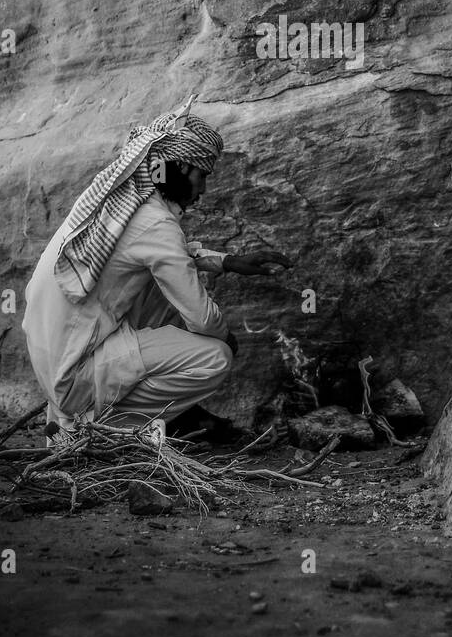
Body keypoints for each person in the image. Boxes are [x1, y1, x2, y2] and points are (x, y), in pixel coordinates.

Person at [22, 97, 291, 434]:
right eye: (202, 175)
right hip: (74, 375)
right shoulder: (153, 222)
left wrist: (228, 262)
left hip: (58, 357)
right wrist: (226, 338)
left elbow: (167, 256)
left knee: (164, 291)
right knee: (215, 357)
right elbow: (203, 318)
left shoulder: (127, 205)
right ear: (181, 168)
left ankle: (170, 415)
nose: (204, 189)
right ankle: (102, 427)